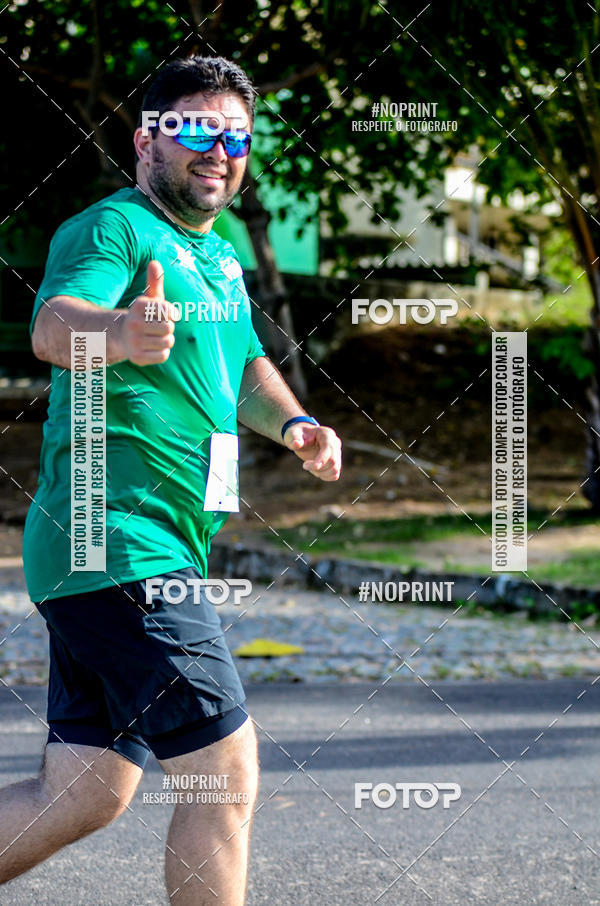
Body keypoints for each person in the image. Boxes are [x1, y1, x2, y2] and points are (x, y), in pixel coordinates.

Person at [2, 55, 342, 905]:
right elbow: (53, 327)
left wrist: (296, 425)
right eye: (195, 128)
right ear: (145, 137)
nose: (218, 150)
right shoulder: (112, 229)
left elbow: (244, 372)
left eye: (236, 135)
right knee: (222, 769)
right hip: (116, 537)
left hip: (131, 550)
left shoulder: (219, 258)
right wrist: (119, 331)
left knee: (83, 790)